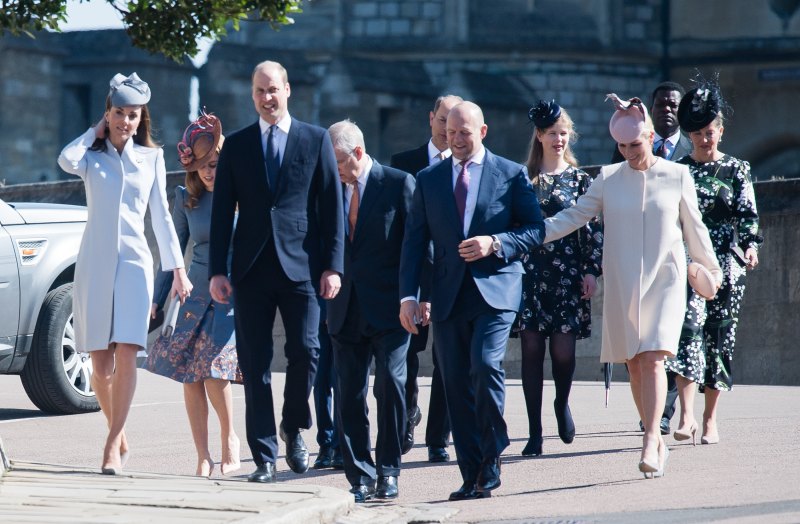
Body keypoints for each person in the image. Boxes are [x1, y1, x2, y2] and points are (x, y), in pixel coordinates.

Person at [543, 94, 722, 478]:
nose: (628, 152)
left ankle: (649, 440)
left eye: (635, 145)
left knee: (655, 358)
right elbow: (574, 216)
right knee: (636, 366)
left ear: (651, 136)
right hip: (624, 283)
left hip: (667, 280)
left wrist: (711, 270)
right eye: (621, 146)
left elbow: (696, 229)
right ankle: (655, 437)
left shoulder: (677, 175)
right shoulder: (608, 179)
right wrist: (529, 236)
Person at [399, 101, 546, 500]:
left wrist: (495, 242)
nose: (457, 140)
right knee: (455, 384)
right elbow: (414, 242)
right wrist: (410, 297)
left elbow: (535, 230)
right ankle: (472, 474)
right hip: (447, 294)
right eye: (450, 133)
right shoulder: (429, 179)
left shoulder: (510, 173)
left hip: (496, 289)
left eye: (465, 133)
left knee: (483, 365)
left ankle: (493, 450)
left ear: (483, 132)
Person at [208, 60, 344, 483]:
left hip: (302, 266)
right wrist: (217, 269)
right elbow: (220, 211)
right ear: (253, 96)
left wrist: (333, 266)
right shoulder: (238, 145)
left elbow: (331, 208)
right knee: (255, 363)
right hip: (250, 269)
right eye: (259, 91)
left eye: (273, 90)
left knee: (307, 352)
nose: (267, 98)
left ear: (287, 90)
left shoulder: (315, 139)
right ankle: (264, 455)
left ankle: (293, 426)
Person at [57, 73, 192, 474]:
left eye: (133, 115)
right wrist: (94, 131)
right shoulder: (90, 157)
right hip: (94, 266)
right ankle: (118, 431)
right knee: (100, 368)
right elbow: (65, 159)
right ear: (108, 113)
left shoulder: (150, 158)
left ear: (141, 119)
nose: (125, 122)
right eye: (119, 113)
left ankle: (112, 444)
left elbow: (162, 218)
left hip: (135, 266)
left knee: (128, 353)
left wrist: (178, 270)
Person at [143, 112, 242, 478]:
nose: (208, 172)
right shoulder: (186, 198)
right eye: (201, 166)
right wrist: (157, 298)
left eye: (214, 164)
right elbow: (172, 253)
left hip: (232, 293)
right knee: (190, 375)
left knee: (215, 368)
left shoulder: (242, 194)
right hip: (193, 295)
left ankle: (229, 439)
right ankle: (202, 455)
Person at [665, 78, 762, 445]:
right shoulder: (678, 170)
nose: (705, 139)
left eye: (710, 132)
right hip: (690, 261)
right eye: (698, 134)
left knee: (720, 338)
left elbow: (748, 215)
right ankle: (687, 415)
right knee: (688, 331)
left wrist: (751, 246)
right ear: (689, 135)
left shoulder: (737, 169)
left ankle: (710, 418)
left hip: (727, 262)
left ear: (720, 130)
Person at [326, 120, 415, 502]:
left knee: (391, 386)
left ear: (358, 153)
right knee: (348, 394)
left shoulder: (397, 184)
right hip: (344, 307)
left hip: (391, 306)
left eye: (338, 162)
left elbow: (416, 246)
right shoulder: (329, 189)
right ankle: (359, 474)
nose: (334, 170)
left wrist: (416, 296)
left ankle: (389, 470)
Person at [517, 100, 603, 457]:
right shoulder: (522, 178)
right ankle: (534, 432)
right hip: (531, 276)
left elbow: (594, 228)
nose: (559, 140)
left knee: (563, 353)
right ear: (539, 136)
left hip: (568, 274)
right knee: (532, 352)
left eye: (564, 133)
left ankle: (562, 401)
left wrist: (590, 270)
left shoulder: (582, 179)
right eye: (552, 134)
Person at [612, 82, 693, 435]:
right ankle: (656, 417)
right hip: (636, 266)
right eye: (659, 105)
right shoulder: (627, 147)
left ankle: (676, 415)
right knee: (640, 356)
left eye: (672, 105)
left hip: (677, 264)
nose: (666, 110)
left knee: (668, 348)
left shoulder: (689, 153)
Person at [389, 94, 462, 463]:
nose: (448, 129)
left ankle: (438, 438)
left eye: (455, 123)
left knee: (447, 359)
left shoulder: (468, 167)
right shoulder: (404, 165)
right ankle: (408, 416)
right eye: (443, 120)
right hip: (415, 276)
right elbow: (400, 230)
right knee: (409, 358)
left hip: (452, 276)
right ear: (431, 118)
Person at [311, 297, 344, 470]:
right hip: (318, 313)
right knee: (320, 383)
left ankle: (339, 447)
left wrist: (335, 311)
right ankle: (325, 444)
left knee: (341, 384)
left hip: (343, 312)